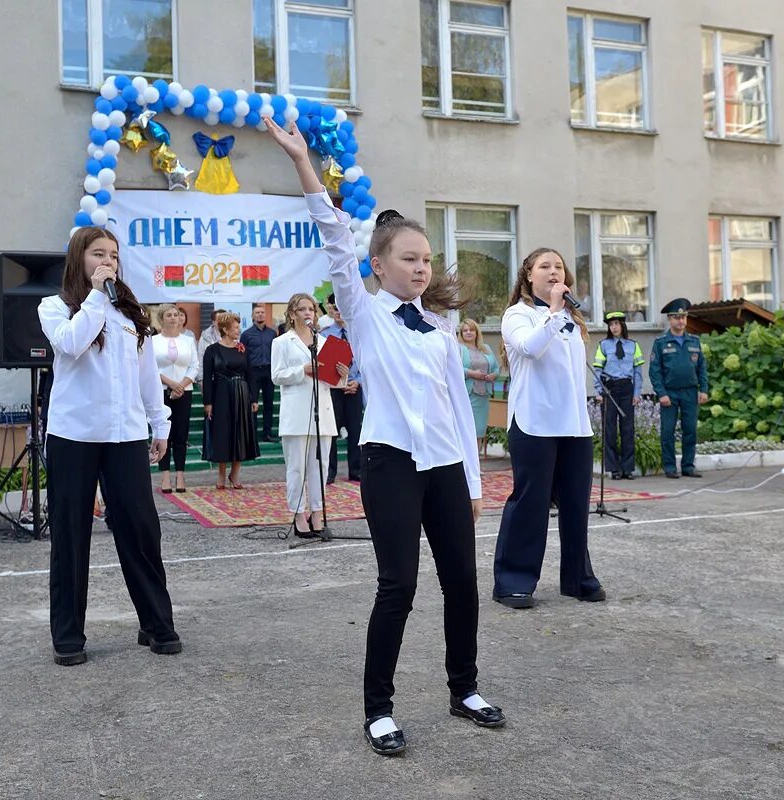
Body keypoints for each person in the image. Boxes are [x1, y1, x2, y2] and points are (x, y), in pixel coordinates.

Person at [267, 116, 504, 757]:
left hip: (446, 463)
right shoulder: (366, 313)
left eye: (427, 259)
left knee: (461, 579)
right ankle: (379, 709)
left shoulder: (441, 328)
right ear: (380, 264)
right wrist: (302, 164)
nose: (422, 268)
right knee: (398, 584)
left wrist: (475, 481)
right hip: (389, 462)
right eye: (409, 258)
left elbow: (456, 403)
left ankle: (465, 689)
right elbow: (334, 240)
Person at [37, 226, 181, 667]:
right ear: (79, 258)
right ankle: (68, 636)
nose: (108, 262)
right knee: (71, 532)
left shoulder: (129, 312)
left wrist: (160, 423)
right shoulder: (55, 307)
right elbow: (71, 345)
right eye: (99, 254)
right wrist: (97, 297)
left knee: (141, 529)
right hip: (74, 436)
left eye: (114, 255)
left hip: (125, 435)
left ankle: (156, 624)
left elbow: (145, 375)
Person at [493, 247, 604, 610]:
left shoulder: (572, 319)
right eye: (545, 266)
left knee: (575, 504)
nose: (554, 271)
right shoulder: (517, 315)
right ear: (528, 275)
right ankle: (513, 581)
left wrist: (561, 313)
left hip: (573, 423)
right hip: (534, 422)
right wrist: (555, 313)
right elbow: (529, 348)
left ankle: (577, 578)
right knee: (531, 503)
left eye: (559, 265)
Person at [271, 292, 337, 538]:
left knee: (320, 467)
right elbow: (276, 375)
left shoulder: (325, 342)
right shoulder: (282, 342)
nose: (308, 313)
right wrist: (303, 369)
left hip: (323, 411)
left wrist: (340, 373)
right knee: (297, 467)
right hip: (296, 412)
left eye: (311, 309)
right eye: (302, 309)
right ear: (291, 314)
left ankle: (318, 513)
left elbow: (333, 381)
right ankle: (299, 514)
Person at [649, 298, 709, 478]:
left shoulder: (694, 341)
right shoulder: (661, 343)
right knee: (667, 431)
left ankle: (688, 466)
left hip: (690, 391)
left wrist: (704, 389)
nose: (681, 321)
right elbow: (655, 371)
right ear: (669, 319)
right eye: (676, 318)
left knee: (690, 430)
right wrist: (661, 393)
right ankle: (669, 467)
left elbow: (702, 368)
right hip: (670, 393)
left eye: (683, 317)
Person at [202, 311, 260, 489]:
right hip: (220, 395)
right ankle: (220, 474)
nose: (238, 330)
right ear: (225, 330)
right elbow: (207, 377)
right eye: (235, 327)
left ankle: (235, 474)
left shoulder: (242, 349)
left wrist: (253, 398)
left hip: (241, 395)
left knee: (240, 434)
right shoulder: (212, 350)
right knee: (222, 434)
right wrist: (208, 403)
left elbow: (250, 375)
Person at [152, 304, 199, 493]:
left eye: (176, 315)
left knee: (181, 434)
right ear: (162, 318)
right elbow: (150, 368)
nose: (173, 318)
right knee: (165, 433)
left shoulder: (187, 341)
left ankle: (180, 474)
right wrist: (171, 383)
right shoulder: (153, 341)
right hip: (161, 390)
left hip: (184, 390)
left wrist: (182, 384)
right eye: (169, 315)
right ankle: (165, 476)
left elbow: (194, 366)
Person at [592, 311, 644, 480]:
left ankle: (627, 469)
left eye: (616, 323)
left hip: (627, 388)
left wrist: (637, 393)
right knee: (610, 430)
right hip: (610, 388)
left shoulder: (633, 346)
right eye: (611, 324)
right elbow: (598, 370)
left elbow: (638, 371)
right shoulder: (603, 345)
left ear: (622, 325)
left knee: (628, 429)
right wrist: (599, 392)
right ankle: (613, 469)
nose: (613, 327)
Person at [321, 293, 363, 483]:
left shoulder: (360, 333)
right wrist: (339, 382)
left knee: (355, 431)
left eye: (341, 308)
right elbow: (322, 365)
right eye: (335, 308)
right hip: (333, 389)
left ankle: (356, 470)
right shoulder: (324, 334)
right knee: (332, 430)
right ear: (330, 309)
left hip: (354, 387)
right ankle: (330, 471)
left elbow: (368, 362)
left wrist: (358, 381)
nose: (338, 312)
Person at [457, 317, 499, 457]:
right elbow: (452, 369)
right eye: (465, 330)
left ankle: (476, 464)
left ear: (477, 332)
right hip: (467, 395)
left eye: (471, 330)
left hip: (483, 396)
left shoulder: (485, 348)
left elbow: (496, 368)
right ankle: (466, 464)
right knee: (467, 431)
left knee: (480, 430)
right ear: (461, 333)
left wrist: (493, 375)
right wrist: (470, 373)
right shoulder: (459, 348)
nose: (468, 332)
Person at [239, 304, 278, 443]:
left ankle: (267, 433)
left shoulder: (272, 333)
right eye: (257, 313)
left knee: (269, 404)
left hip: (269, 371)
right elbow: (242, 355)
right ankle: (252, 435)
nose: (260, 314)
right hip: (253, 372)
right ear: (252, 316)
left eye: (262, 312)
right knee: (252, 403)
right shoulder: (246, 335)